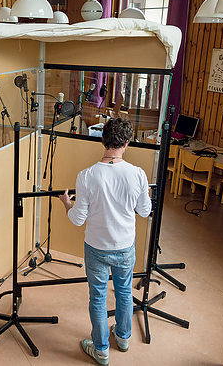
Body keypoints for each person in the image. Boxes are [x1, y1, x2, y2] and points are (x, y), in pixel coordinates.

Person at [58, 118, 151, 365]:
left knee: (98, 298)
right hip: (125, 247)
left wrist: (67, 203)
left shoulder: (87, 176)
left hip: (97, 248)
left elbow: (78, 219)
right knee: (124, 292)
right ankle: (122, 338)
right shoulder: (138, 174)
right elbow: (144, 211)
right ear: (127, 143)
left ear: (102, 139)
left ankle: (101, 350)